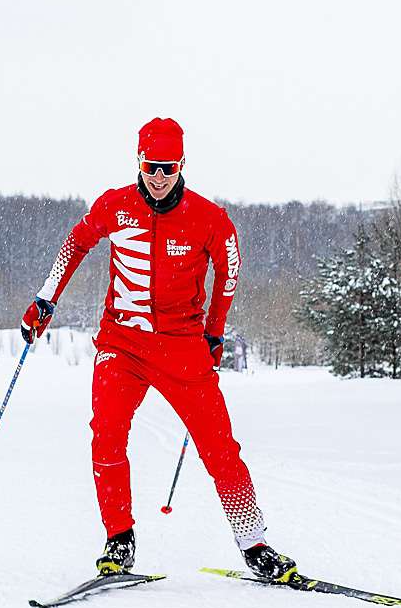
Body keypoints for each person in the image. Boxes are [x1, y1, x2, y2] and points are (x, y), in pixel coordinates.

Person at [19, 117, 301, 583]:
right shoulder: (115, 206)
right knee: (106, 434)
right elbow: (76, 243)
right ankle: (119, 540)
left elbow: (228, 276)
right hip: (121, 344)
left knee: (220, 449)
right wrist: (46, 299)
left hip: (182, 348)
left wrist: (214, 333)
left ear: (182, 165)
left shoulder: (209, 218)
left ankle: (255, 544)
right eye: (151, 166)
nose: (158, 177)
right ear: (139, 161)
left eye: (168, 168)